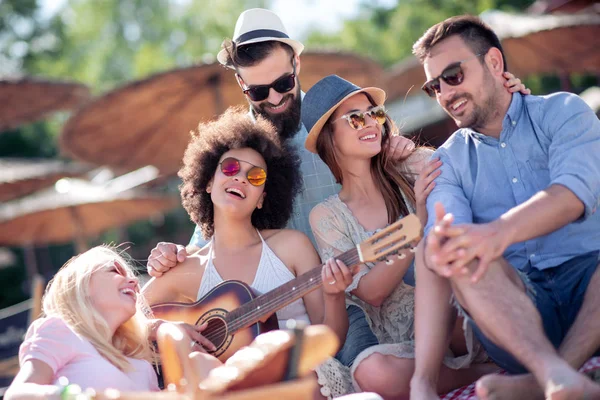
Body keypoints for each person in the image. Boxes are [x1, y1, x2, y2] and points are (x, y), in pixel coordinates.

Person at [145, 8, 416, 370]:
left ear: (297, 64)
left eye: (283, 84)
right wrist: (172, 255)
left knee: (369, 373)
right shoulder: (239, 153)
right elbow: (213, 240)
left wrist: (398, 151)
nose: (273, 98)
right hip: (282, 314)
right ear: (242, 85)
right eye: (258, 90)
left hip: (362, 293)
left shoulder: (333, 127)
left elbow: (378, 147)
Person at [408, 15, 600, 400]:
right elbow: (448, 243)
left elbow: (572, 194)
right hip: (516, 312)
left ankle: (544, 381)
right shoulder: (445, 164)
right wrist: (452, 241)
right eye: (434, 86)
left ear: (494, 63)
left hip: (590, 286)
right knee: (460, 255)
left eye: (453, 75)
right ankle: (552, 374)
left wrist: (496, 233)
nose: (444, 93)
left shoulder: (563, 111)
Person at [301, 74, 527, 398]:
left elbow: (475, 186)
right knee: (370, 372)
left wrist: (409, 155)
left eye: (374, 114)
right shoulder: (327, 216)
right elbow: (372, 292)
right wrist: (417, 223)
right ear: (329, 138)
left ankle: (476, 369)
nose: (369, 123)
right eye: (354, 118)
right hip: (405, 345)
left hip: (459, 317)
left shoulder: (413, 166)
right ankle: (490, 374)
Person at [142, 107, 355, 399]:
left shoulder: (291, 246)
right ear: (207, 181)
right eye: (229, 168)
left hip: (305, 379)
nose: (241, 178)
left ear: (261, 199)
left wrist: (334, 294)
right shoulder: (188, 267)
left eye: (255, 177)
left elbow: (331, 337)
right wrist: (161, 329)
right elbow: (126, 319)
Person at [5, 246, 160, 398]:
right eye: (114, 270)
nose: (134, 280)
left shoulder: (143, 366)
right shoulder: (61, 330)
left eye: (131, 276)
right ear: (82, 285)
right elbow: (17, 395)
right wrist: (73, 395)